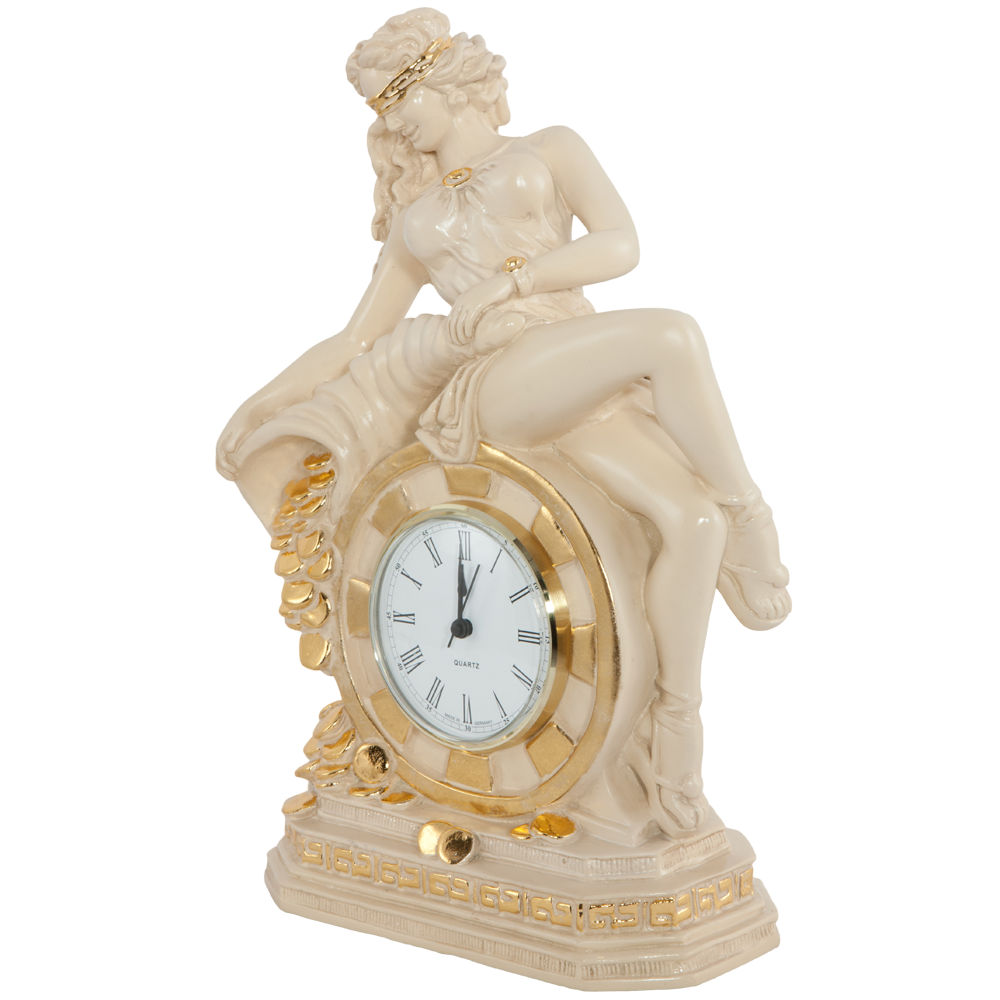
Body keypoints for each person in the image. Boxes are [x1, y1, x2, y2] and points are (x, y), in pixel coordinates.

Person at [217, 8, 789, 836]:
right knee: (667, 339)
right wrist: (265, 402)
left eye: (398, 99)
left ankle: (673, 730)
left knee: (691, 521)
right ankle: (753, 516)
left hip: (577, 372)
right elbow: (356, 338)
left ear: (442, 80)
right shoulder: (417, 220)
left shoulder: (550, 149)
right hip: (495, 386)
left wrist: (514, 280)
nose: (393, 124)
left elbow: (621, 246)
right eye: (382, 111)